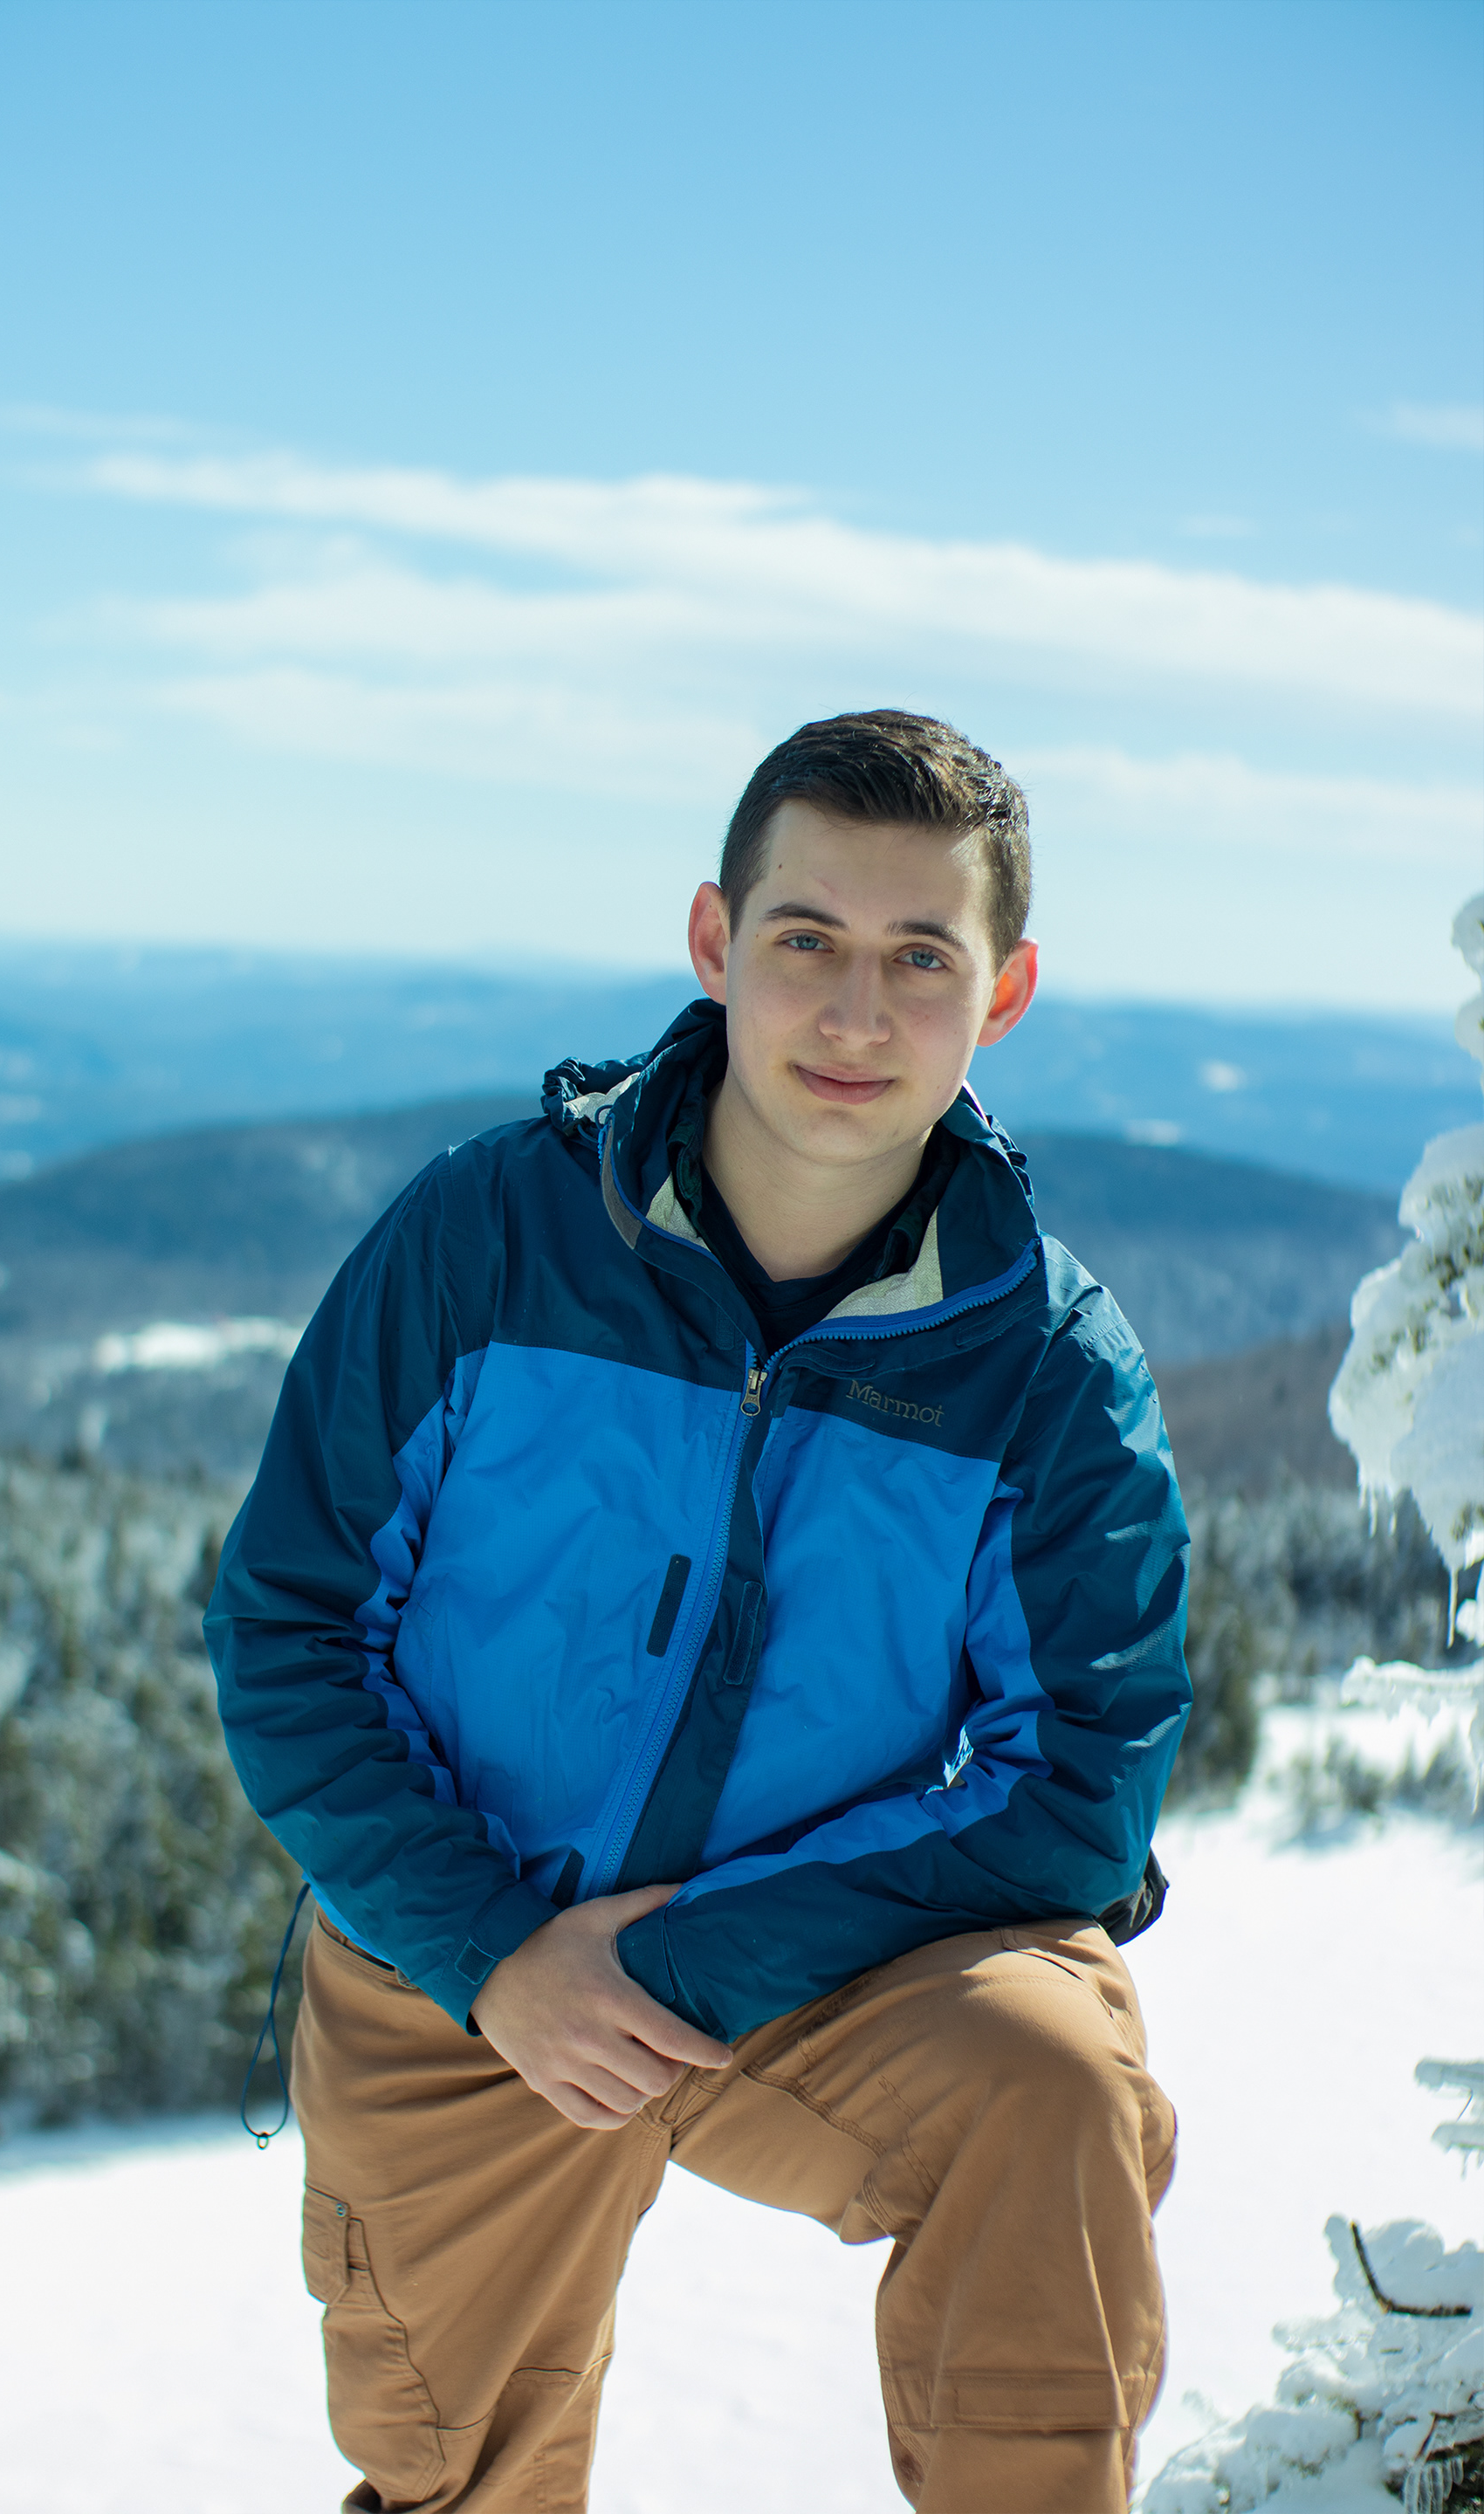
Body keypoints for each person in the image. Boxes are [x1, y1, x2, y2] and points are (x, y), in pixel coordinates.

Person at [205, 708, 1190, 2514]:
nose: (856, 1012)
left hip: (821, 1961)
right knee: (460, 2478)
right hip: (463, 1964)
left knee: (1051, 2081)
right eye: (808, 938)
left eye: (922, 957)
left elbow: (1079, 1791)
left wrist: (666, 1966)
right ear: (715, 941)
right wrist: (504, 1955)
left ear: (1006, 992)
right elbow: (289, 1632)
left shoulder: (1047, 1369)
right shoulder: (492, 1237)